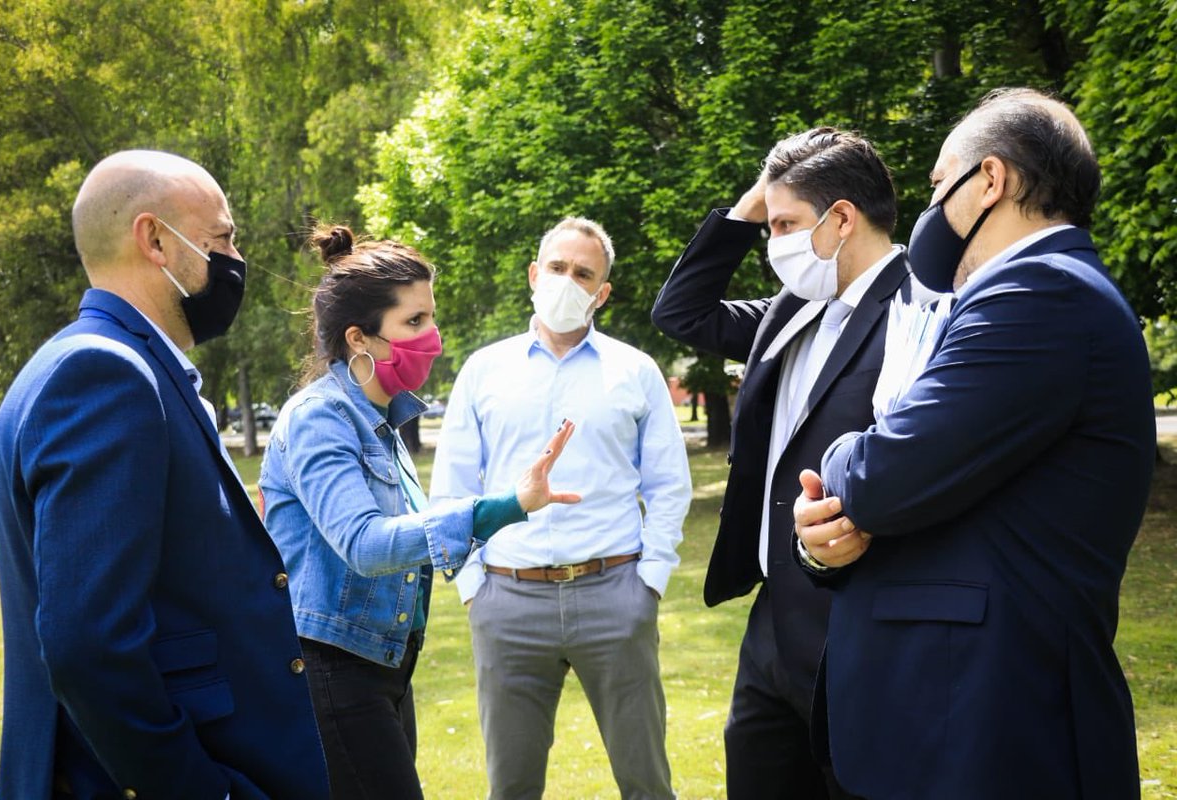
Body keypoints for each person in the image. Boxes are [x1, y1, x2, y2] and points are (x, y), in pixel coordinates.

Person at [793, 88, 1155, 799]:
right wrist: (824, 542)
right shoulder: (1031, 293)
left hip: (988, 727)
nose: (930, 211)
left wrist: (842, 458)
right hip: (952, 716)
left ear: (990, 180)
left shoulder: (1039, 293)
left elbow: (881, 478)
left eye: (937, 184)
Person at [0, 150, 331, 798]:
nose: (235, 258)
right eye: (222, 238)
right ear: (154, 240)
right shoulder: (106, 375)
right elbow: (91, 647)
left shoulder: (89, 362)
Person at [652, 128, 929, 799]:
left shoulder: (923, 309)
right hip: (772, 626)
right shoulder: (791, 309)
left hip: (865, 623)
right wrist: (752, 207)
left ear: (841, 219)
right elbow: (681, 311)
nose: (774, 243)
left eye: (785, 225)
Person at [258, 225, 579, 800]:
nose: (432, 336)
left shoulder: (382, 422)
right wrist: (505, 506)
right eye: (414, 322)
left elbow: (408, 541)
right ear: (360, 338)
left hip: (384, 665)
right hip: (335, 668)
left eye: (431, 317)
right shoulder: (320, 419)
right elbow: (367, 544)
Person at [431, 217, 692, 799]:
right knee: (512, 786)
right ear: (533, 274)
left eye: (583, 274)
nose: (566, 282)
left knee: (647, 782)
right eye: (556, 268)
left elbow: (670, 484)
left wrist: (648, 581)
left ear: (602, 293)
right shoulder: (484, 371)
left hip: (614, 594)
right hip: (508, 602)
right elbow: (450, 488)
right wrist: (473, 587)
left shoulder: (636, 371)